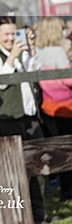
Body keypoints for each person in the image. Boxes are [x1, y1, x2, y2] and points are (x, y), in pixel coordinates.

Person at [0, 16, 48, 224]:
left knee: (35, 165)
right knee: (11, 169)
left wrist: (31, 50)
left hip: (29, 115)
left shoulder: (20, 52)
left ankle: (38, 213)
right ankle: (17, 215)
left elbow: (34, 72)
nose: (10, 38)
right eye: (6, 34)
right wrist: (12, 58)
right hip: (7, 117)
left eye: (13, 33)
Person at [34, 16, 72, 200]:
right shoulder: (58, 51)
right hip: (65, 106)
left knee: (57, 149)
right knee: (68, 148)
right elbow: (68, 79)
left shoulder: (38, 51)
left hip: (47, 105)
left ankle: (64, 188)